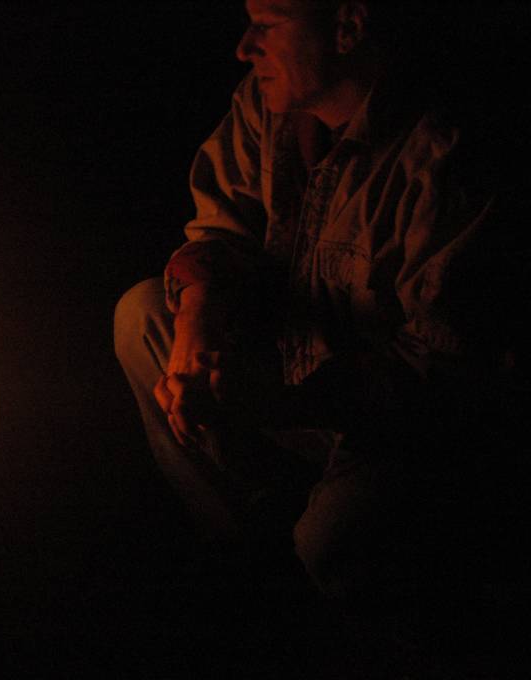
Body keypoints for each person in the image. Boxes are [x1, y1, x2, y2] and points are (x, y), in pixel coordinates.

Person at [114, 0, 524, 606]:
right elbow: (222, 233)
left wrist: (279, 401)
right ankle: (245, 555)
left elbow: (442, 375)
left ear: (348, 27)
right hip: (285, 372)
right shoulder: (268, 107)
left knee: (335, 536)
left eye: (268, 24)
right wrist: (195, 329)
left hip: (394, 425)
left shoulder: (445, 157)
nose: (244, 47)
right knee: (143, 315)